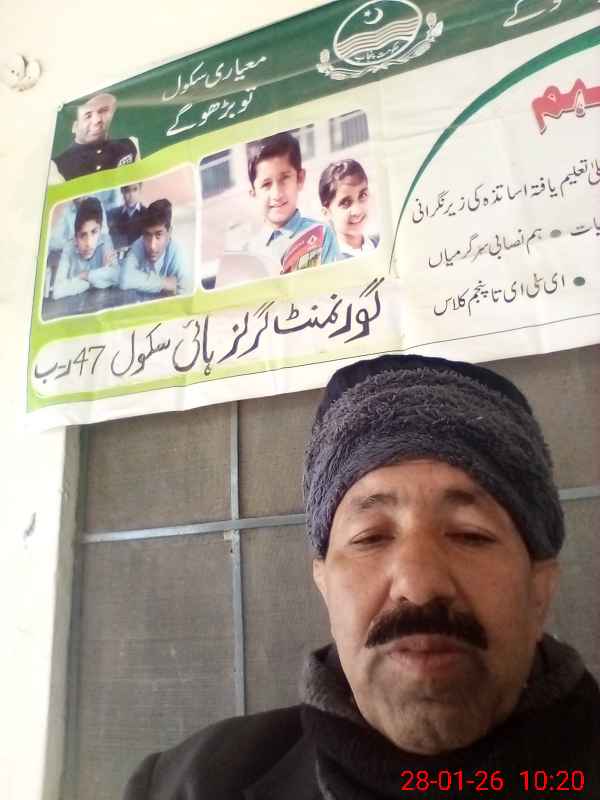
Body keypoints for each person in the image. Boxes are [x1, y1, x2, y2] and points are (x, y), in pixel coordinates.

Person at [123, 354, 600, 799]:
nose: (418, 585)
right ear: (324, 583)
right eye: (371, 537)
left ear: (540, 588)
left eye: (470, 535)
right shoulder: (188, 785)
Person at [246, 132, 339, 273]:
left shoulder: (321, 234)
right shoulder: (248, 254)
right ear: (253, 192)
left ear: (300, 179)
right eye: (266, 184)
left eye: (284, 178)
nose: (277, 194)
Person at [50, 93, 139, 183]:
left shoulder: (128, 145)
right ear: (75, 127)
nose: (98, 120)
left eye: (102, 111)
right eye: (88, 116)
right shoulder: (58, 166)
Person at [120, 199, 191, 295]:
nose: (152, 246)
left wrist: (142, 280)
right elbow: (125, 279)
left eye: (159, 235)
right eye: (147, 235)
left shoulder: (178, 253)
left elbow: (185, 293)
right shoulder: (139, 243)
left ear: (169, 232)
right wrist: (164, 283)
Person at [53, 197, 119, 300]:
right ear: (75, 237)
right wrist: (93, 280)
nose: (89, 243)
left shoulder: (105, 240)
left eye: (94, 232)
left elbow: (116, 276)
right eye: (83, 235)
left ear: (100, 230)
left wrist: (85, 275)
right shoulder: (69, 247)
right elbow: (57, 291)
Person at [319, 158, 379, 258]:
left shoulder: (385, 245)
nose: (357, 210)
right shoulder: (329, 261)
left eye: (362, 195)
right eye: (346, 203)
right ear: (326, 213)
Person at [108, 183, 147, 249]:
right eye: (127, 190)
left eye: (135, 189)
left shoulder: (147, 214)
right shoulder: (113, 214)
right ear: (122, 191)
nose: (131, 195)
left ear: (140, 190)